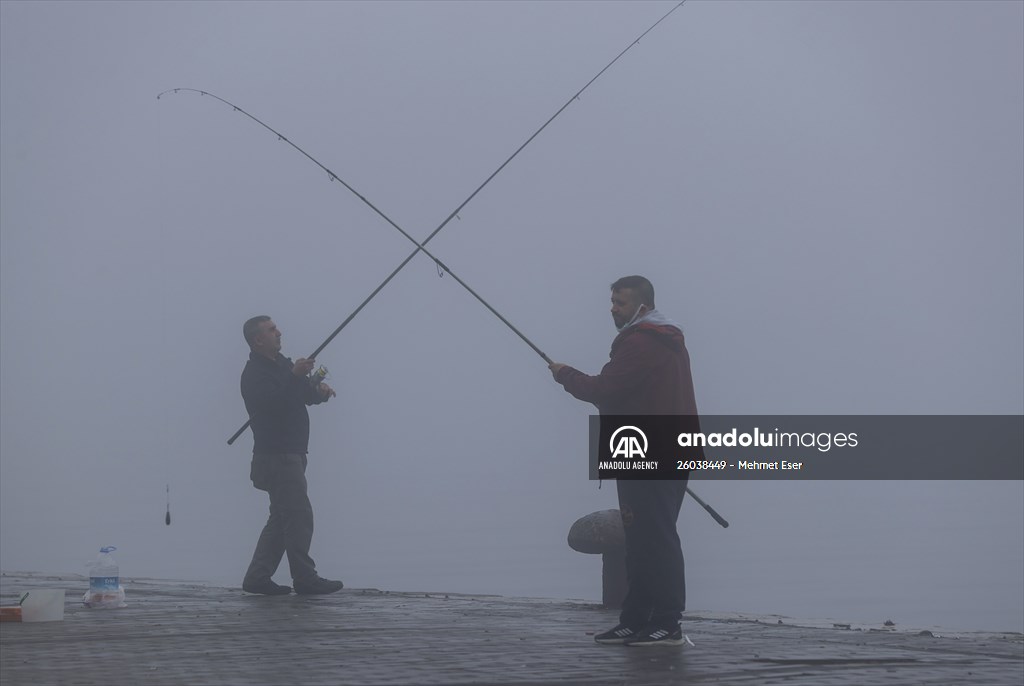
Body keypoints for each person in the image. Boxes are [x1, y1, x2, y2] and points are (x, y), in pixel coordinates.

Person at [548, 276, 698, 646]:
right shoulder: (659, 340)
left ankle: (668, 623)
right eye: (612, 301)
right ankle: (635, 619)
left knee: (657, 539)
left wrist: (564, 374)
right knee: (640, 538)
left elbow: (602, 389)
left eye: (621, 303)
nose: (613, 308)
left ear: (642, 308)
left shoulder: (644, 342)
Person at [240, 315, 344, 596]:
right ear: (258, 339)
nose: (279, 332)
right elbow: (272, 404)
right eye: (272, 330)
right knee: (298, 515)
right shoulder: (254, 374)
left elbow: (301, 396)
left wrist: (318, 390)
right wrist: (294, 376)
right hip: (276, 456)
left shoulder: (283, 365)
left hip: (293, 453)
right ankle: (305, 578)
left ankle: (257, 577)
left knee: (281, 518)